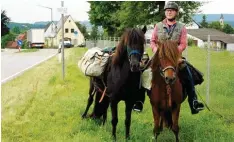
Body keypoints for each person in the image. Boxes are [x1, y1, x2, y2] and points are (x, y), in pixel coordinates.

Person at [150, 1, 204, 114]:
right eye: (167, 10)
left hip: (175, 58)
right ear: (165, 12)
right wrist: (157, 51)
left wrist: (173, 53)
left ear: (176, 13)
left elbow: (183, 44)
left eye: (172, 10)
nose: (169, 12)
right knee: (144, 70)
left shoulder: (182, 27)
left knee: (188, 72)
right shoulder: (157, 26)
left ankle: (193, 102)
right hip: (159, 56)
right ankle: (138, 100)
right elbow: (153, 41)